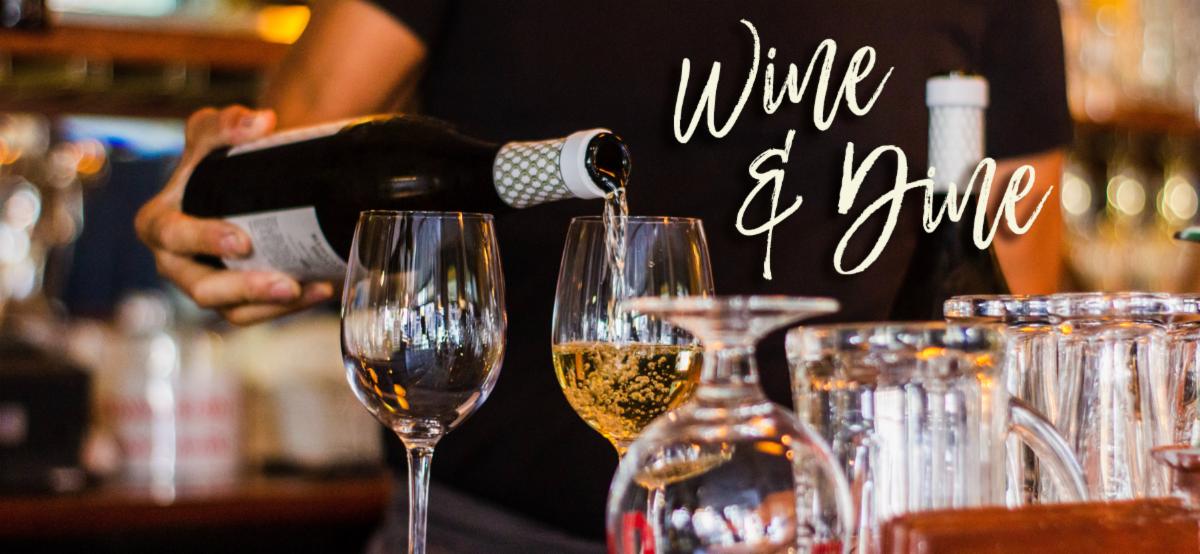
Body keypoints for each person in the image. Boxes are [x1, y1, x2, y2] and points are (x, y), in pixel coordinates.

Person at [136, 1, 1071, 551]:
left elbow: (1011, 300)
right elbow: (303, 147)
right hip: (487, 535)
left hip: (828, 540)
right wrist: (227, 210)